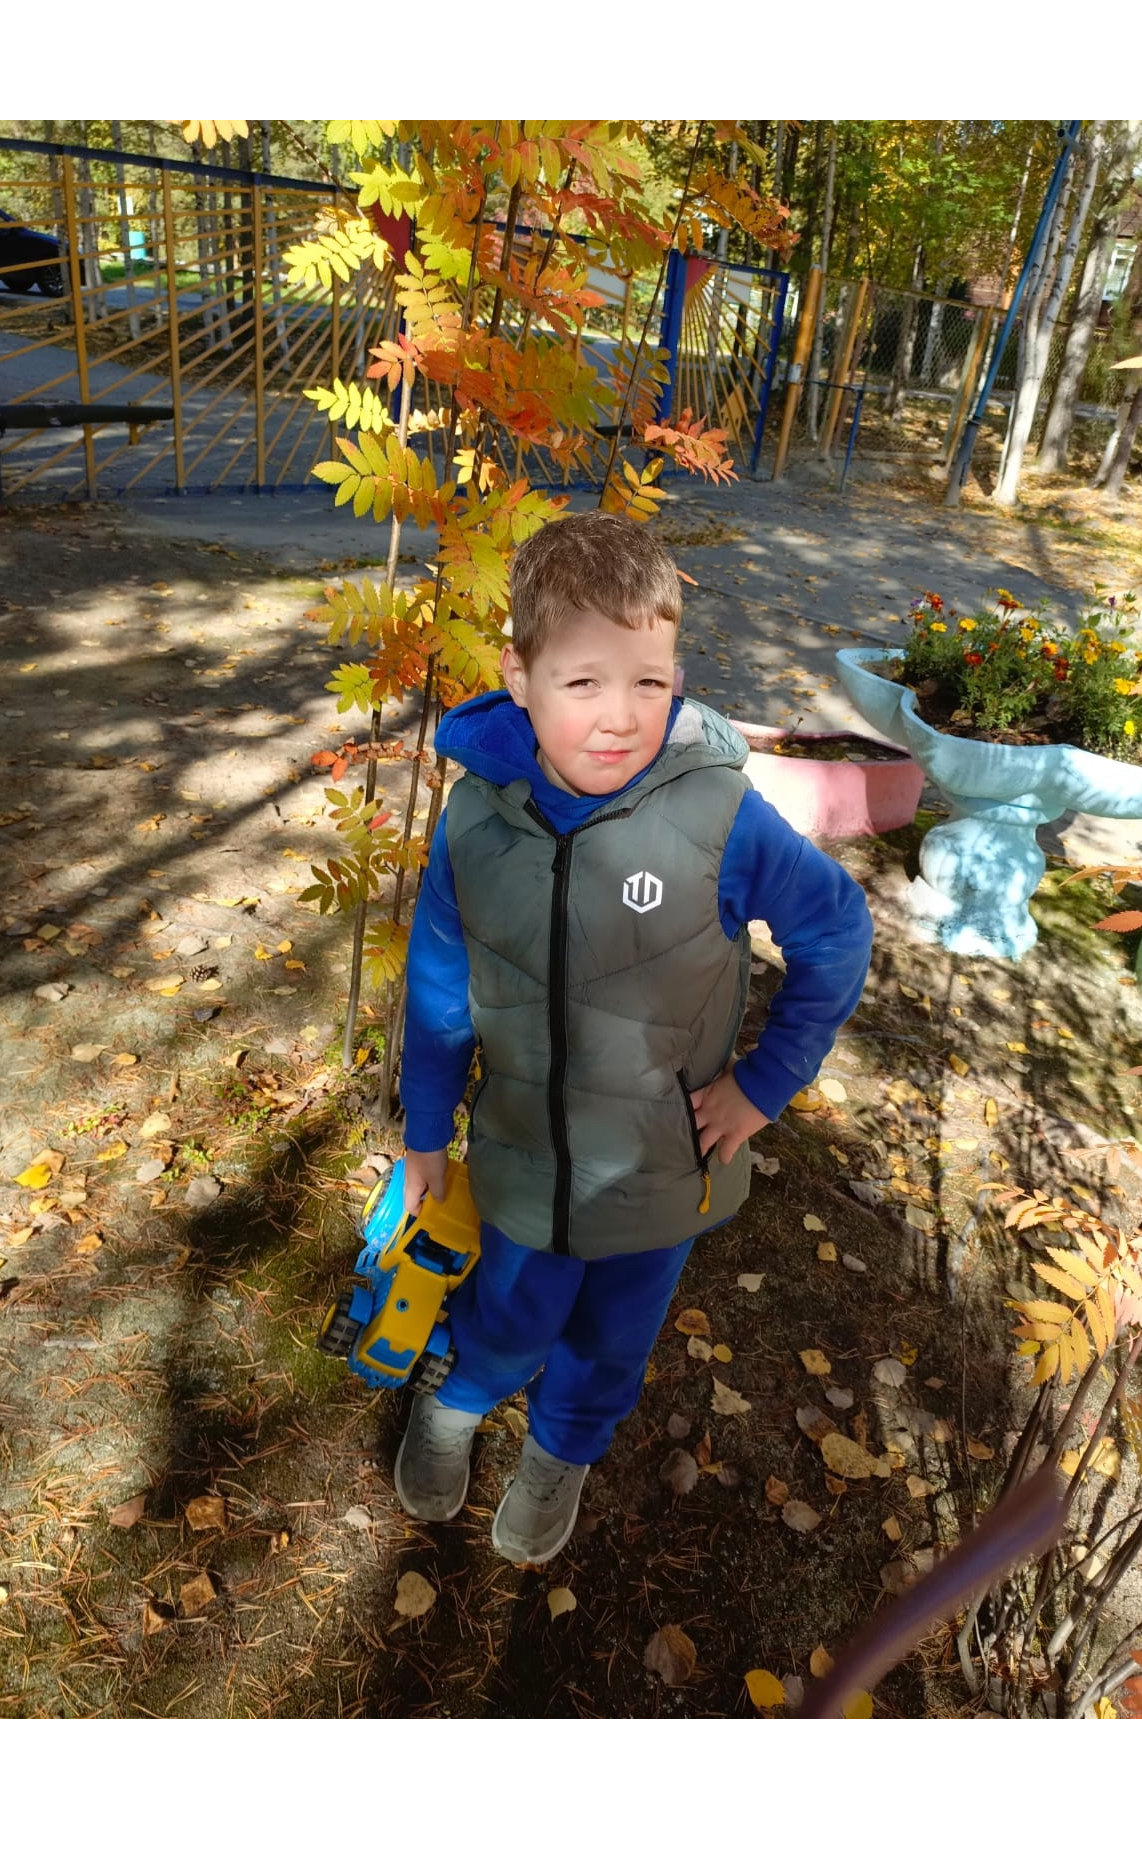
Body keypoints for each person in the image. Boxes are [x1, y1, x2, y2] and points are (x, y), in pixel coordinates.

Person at [391, 510, 874, 1564]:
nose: (618, 718)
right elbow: (437, 989)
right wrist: (425, 1130)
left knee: (610, 1341)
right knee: (507, 1315)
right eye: (583, 683)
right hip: (520, 1158)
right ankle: (457, 1399)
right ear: (518, 677)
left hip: (663, 1171)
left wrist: (763, 1085)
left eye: (648, 683)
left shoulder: (718, 816)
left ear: (676, 678)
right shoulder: (473, 824)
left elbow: (835, 930)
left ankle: (559, 1452)